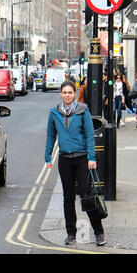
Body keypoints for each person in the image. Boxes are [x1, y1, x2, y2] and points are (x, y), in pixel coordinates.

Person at [45, 80, 106, 246]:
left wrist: (91, 158)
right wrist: (48, 156)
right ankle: (71, 233)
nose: (67, 95)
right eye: (64, 92)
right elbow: (51, 136)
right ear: (60, 94)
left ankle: (99, 231)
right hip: (64, 159)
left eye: (70, 92)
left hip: (81, 159)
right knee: (68, 198)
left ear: (74, 94)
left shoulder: (82, 110)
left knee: (87, 196)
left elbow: (89, 135)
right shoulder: (54, 112)